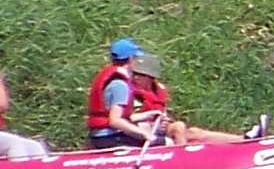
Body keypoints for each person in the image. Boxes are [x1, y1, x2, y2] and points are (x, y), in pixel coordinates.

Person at [86, 39, 231, 149]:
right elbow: (115, 121)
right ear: (131, 60)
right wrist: (144, 134)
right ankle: (181, 167)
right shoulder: (120, 85)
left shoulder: (117, 82)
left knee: (187, 132)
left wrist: (148, 115)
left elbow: (122, 116)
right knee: (167, 143)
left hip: (109, 134)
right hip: (110, 137)